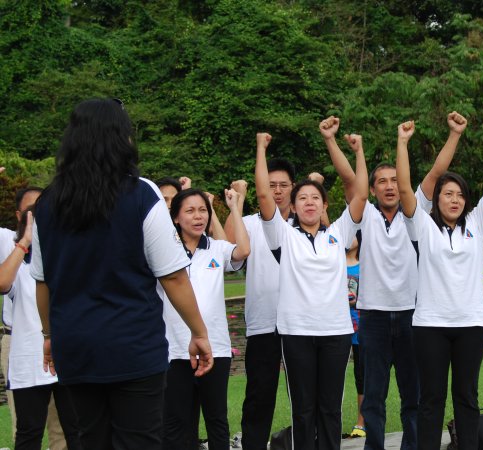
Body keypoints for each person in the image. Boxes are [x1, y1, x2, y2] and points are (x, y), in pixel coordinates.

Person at [30, 98, 214, 449]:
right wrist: (199, 332)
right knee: (140, 441)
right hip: (134, 346)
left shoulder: (49, 202)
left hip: (76, 347)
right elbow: (172, 276)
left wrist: (49, 335)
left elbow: (43, 282)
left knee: (91, 440)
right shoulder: (141, 193)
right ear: (121, 138)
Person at [323, 111, 466, 450]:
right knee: (373, 396)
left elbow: (436, 173)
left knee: (412, 395)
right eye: (382, 182)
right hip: (373, 316)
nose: (389, 186)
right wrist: (332, 140)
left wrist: (455, 135)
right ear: (372, 189)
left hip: (412, 315)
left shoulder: (416, 213)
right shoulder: (365, 215)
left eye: (394, 180)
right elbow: (348, 178)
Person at [396, 119, 483, 450]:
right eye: (448, 194)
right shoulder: (422, 225)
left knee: (467, 397)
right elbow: (405, 189)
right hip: (430, 326)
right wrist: (402, 143)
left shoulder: (476, 223)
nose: (455, 200)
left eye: (460, 195)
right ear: (437, 199)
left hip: (471, 324)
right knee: (431, 399)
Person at [254, 118, 368, 450]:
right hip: (297, 333)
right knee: (303, 410)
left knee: (330, 409)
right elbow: (263, 193)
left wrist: (357, 151)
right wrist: (261, 148)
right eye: (301, 198)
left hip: (335, 333)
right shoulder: (283, 236)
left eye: (315, 197)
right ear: (292, 206)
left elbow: (360, 193)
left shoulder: (338, 234)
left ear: (324, 205)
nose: (308, 202)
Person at [161, 188, 250, 450]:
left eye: (203, 210)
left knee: (216, 419)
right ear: (175, 217)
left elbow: (244, 250)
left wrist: (234, 208)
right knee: (176, 423)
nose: (198, 216)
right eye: (190, 211)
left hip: (215, 349)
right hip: (174, 351)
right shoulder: (163, 252)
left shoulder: (216, 248)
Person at [224, 158, 297, 450]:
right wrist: (237, 201)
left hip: (300, 323)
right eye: (271, 185)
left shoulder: (304, 222)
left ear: (293, 187)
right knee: (259, 395)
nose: (277, 191)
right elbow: (227, 245)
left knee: (304, 395)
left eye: (283, 185)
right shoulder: (251, 224)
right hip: (263, 322)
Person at [0, 189, 80, 450]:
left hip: (69, 356)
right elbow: (2, 283)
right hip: (29, 360)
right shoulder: (17, 257)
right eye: (31, 212)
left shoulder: (67, 253)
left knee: (76, 432)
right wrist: (25, 240)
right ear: (20, 216)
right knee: (29, 432)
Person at [345, 233, 366, 438]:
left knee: (362, 375)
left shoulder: (365, 265)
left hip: (361, 331)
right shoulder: (334, 263)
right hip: (338, 329)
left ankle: (362, 422)